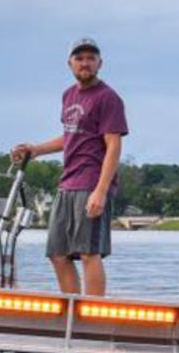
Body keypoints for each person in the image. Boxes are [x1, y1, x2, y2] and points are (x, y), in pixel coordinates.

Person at [11, 37, 128, 296]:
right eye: (80, 58)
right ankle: (72, 310)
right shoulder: (69, 95)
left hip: (91, 183)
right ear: (70, 63)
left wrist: (101, 191)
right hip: (67, 183)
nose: (85, 63)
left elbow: (113, 145)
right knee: (58, 253)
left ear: (100, 63)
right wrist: (36, 150)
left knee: (88, 252)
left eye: (91, 58)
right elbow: (71, 135)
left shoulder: (108, 98)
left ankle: (93, 313)